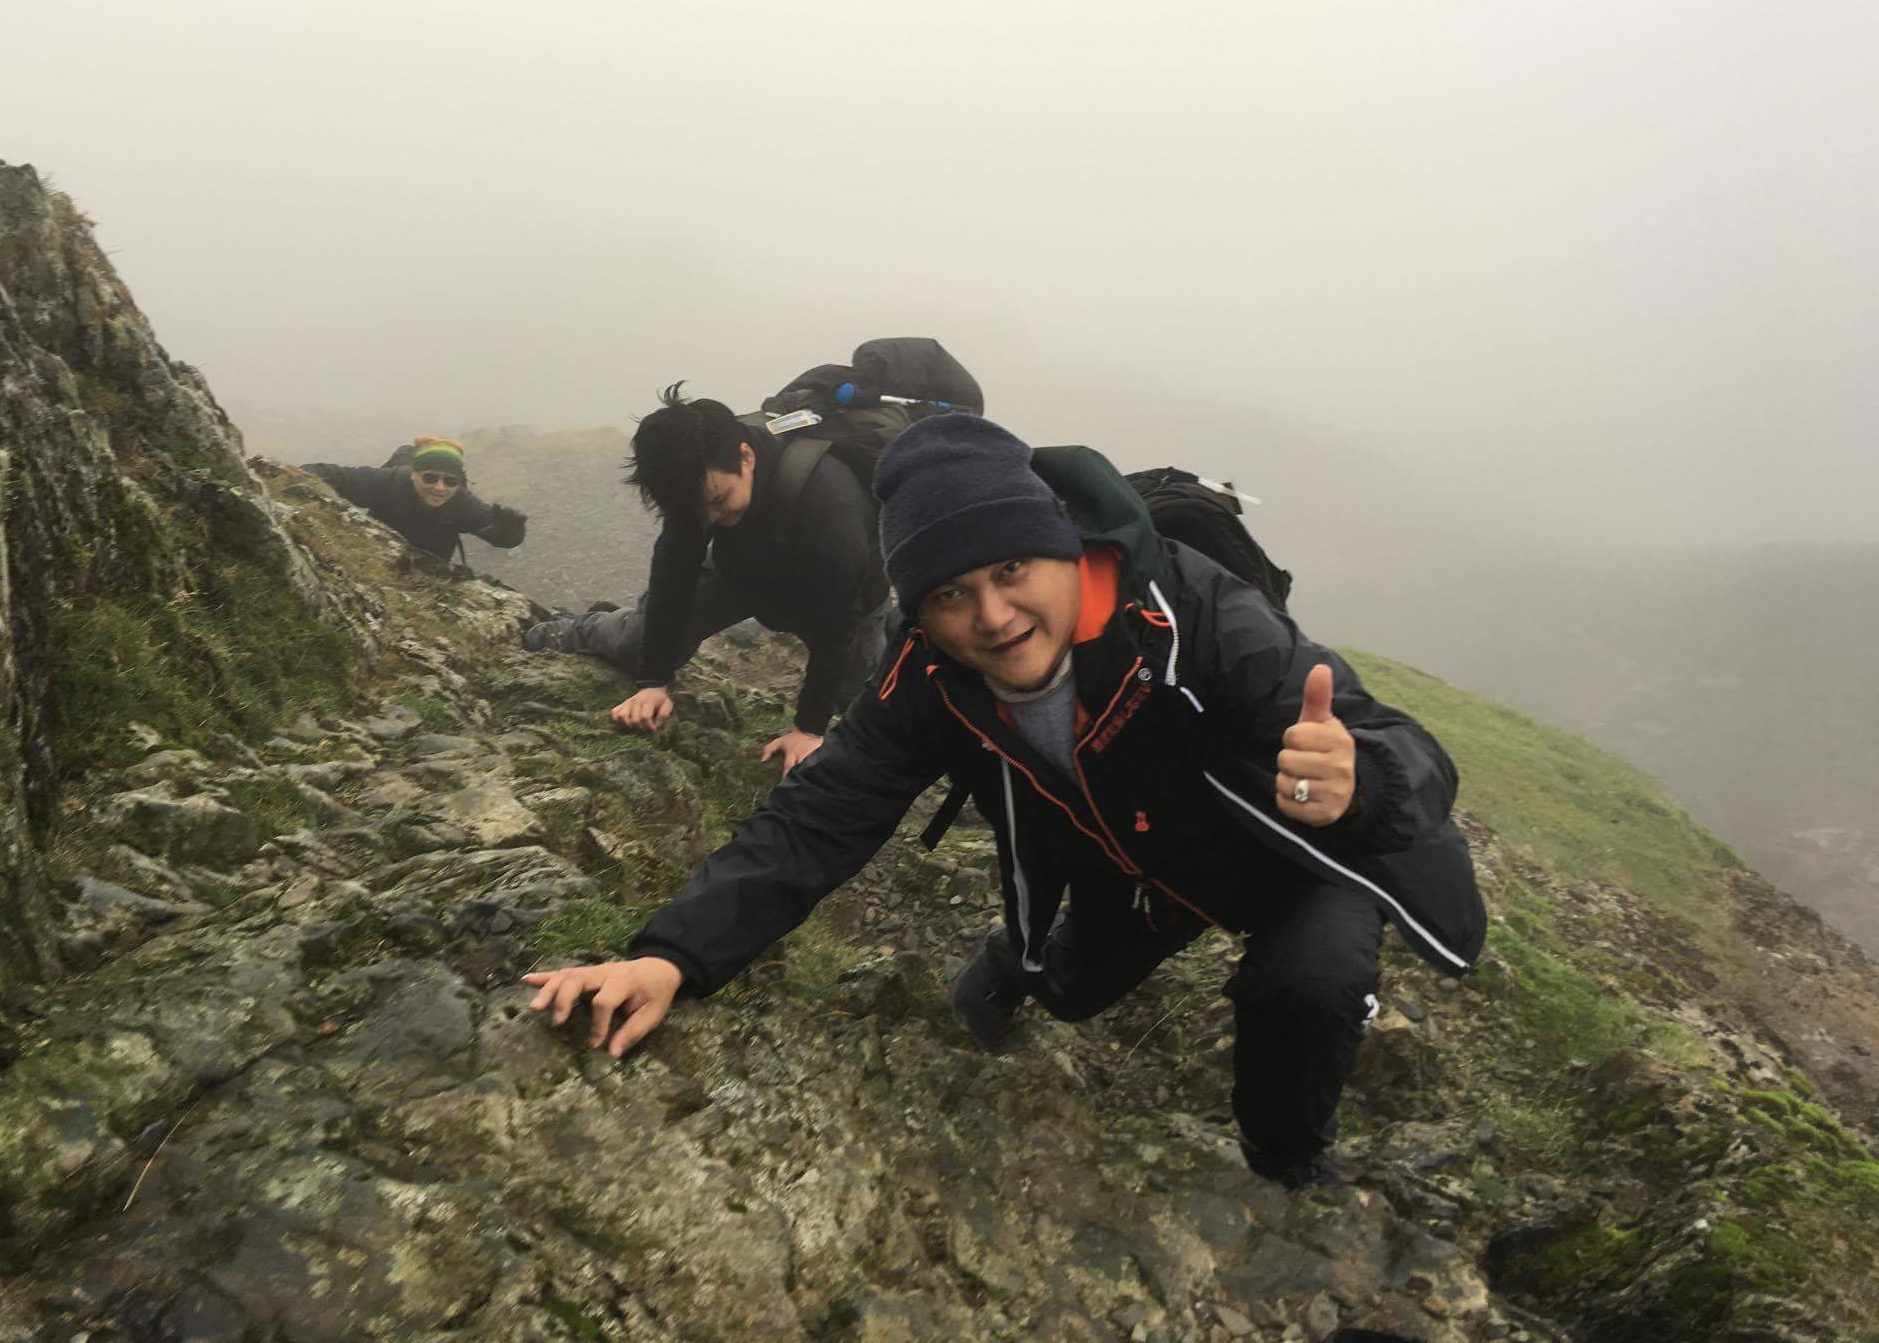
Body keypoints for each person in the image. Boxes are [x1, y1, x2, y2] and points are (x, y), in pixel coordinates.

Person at [522, 413, 1486, 1189]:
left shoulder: (1194, 617)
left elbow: (1406, 748)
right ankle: (1014, 963)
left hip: (1286, 853)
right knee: (1067, 993)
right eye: (949, 594)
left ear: (1063, 548)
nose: (990, 615)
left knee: (1307, 989)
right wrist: (667, 957)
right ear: (918, 609)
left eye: (1012, 570)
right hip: (1124, 863)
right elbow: (819, 817)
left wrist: (1361, 779)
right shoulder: (928, 678)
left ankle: (1287, 1168)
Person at [524, 385, 891, 779]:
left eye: (718, 501)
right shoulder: (695, 487)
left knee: (864, 712)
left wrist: (808, 729)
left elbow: (839, 623)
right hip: (743, 573)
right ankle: (581, 628)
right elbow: (673, 572)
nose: (709, 517)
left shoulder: (830, 506)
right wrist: (655, 680)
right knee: (637, 642)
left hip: (844, 596)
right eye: (695, 510)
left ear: (746, 458)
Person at [301, 436, 527, 562]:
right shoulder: (389, 482)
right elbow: (328, 474)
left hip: (430, 570)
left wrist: (510, 529)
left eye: (450, 481)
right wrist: (282, 480)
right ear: (414, 473)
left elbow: (503, 538)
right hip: (374, 557)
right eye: (430, 478)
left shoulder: (460, 501)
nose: (440, 488)